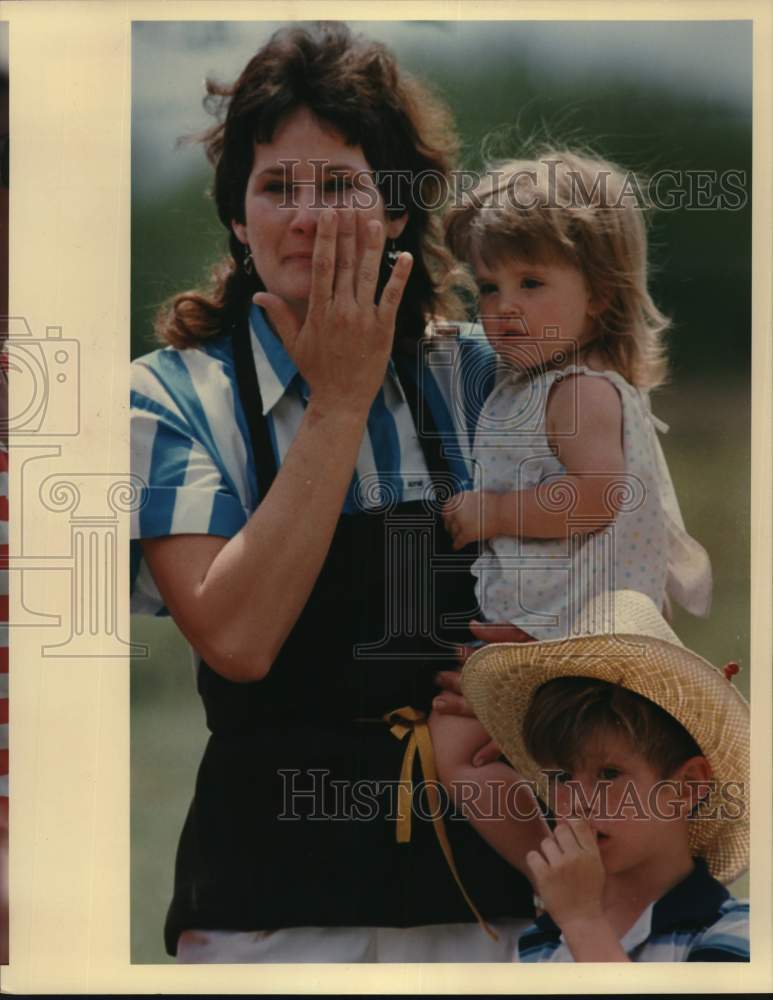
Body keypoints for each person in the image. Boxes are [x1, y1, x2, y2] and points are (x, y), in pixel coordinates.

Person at [130, 22, 535, 963]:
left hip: (488, 901)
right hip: (266, 915)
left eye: (341, 186)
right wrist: (341, 399)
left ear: (397, 210)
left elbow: (610, 552)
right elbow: (234, 638)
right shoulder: (168, 397)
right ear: (237, 217)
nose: (305, 217)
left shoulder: (486, 382)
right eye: (275, 187)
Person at [429, 149, 713, 876]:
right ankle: (570, 877)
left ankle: (561, 880)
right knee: (515, 754)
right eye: (486, 288)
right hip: (551, 629)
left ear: (599, 297)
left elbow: (594, 498)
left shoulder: (580, 391)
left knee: (465, 745)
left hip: (579, 634)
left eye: (530, 282)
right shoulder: (529, 384)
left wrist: (493, 513)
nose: (503, 308)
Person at [461, 588, 749, 962]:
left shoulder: (736, 934)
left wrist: (583, 922)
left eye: (609, 773)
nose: (577, 803)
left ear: (688, 786)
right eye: (562, 778)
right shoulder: (539, 945)